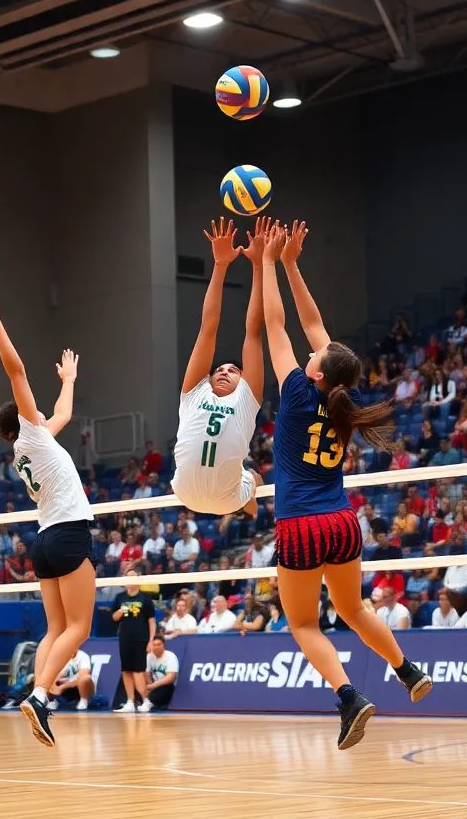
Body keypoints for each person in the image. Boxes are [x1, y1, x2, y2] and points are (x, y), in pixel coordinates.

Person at [260, 220, 430, 750]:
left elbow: (275, 322)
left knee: (304, 626)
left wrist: (266, 261)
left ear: (316, 372)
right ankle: (406, 670)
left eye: (316, 356)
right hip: (342, 521)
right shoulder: (345, 405)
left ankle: (349, 697)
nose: (313, 351)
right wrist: (290, 264)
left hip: (301, 526)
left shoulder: (293, 391)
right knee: (354, 609)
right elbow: (312, 326)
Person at [0, 286, 94, 749]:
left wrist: (69, 378)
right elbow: (15, 370)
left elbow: (63, 411)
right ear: (23, 417)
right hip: (66, 534)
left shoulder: (33, 441)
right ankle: (41, 695)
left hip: (42, 542)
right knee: (78, 629)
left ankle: (37, 694)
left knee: (56, 629)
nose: (40, 411)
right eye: (32, 410)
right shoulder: (33, 434)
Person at [171, 216, 267, 516]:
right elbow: (207, 327)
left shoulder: (247, 399)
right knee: (252, 479)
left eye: (233, 370)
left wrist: (259, 265)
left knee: (253, 478)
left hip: (220, 496)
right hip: (185, 493)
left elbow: (253, 329)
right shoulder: (194, 392)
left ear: (243, 380)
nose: (224, 371)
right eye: (220, 369)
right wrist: (220, 264)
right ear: (209, 378)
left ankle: (248, 497)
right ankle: (247, 495)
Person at [111, 567, 155, 713]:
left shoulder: (144, 598)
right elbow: (114, 618)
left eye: (133, 577)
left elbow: (151, 621)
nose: (130, 580)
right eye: (127, 577)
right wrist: (120, 611)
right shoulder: (120, 598)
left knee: (138, 671)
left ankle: (146, 700)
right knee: (126, 670)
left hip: (141, 639)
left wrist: (150, 640)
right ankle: (130, 701)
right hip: (124, 638)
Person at [144, 634, 179, 710]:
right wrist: (150, 685)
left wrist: (152, 686)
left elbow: (171, 678)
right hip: (155, 686)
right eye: (154, 645)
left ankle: (148, 703)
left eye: (159, 644)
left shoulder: (170, 656)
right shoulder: (149, 656)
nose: (156, 647)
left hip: (168, 686)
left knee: (163, 689)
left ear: (164, 645)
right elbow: (146, 673)